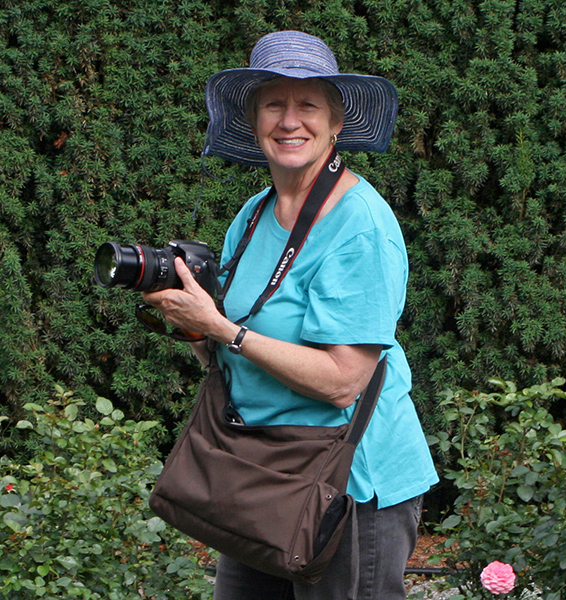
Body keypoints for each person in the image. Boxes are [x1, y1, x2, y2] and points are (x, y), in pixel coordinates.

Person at [142, 30, 439, 600]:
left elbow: (342, 382)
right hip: (262, 472)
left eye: (308, 105)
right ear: (255, 122)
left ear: (336, 124)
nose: (289, 120)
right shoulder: (253, 216)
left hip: (347, 486)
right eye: (274, 104)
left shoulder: (360, 227)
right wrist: (190, 321)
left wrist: (223, 326)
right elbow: (228, 350)